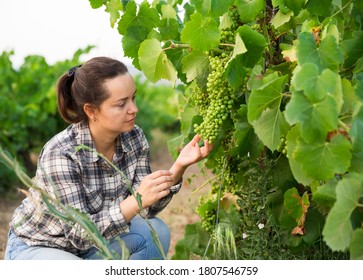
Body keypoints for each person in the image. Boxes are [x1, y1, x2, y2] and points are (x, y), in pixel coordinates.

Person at [5, 56, 212, 260]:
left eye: (134, 98)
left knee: (156, 231)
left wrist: (178, 167)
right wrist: (136, 200)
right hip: (39, 246)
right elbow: (80, 233)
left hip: (93, 245)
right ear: (91, 111)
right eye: (121, 104)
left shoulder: (134, 137)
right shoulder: (62, 153)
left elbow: (148, 210)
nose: (134, 109)